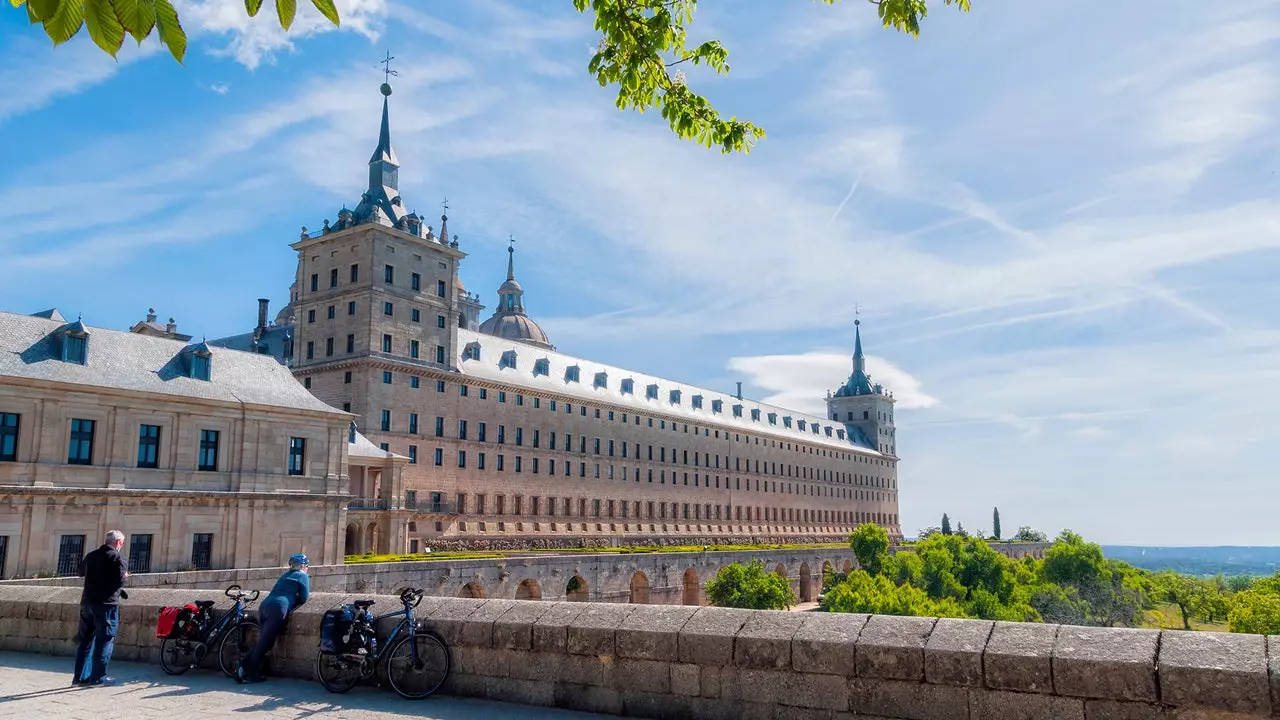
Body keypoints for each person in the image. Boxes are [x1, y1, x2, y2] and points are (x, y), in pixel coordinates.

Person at [238, 553, 310, 683]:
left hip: (265, 606)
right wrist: (295, 598)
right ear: (303, 565)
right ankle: (248, 671)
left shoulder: (285, 575)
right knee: (265, 643)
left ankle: (246, 668)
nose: (307, 568)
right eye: (307, 565)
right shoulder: (302, 575)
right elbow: (304, 598)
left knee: (264, 641)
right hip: (278, 608)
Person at [73, 530, 128, 686]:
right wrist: (124, 576)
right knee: (105, 640)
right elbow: (119, 581)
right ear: (117, 543)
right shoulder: (118, 558)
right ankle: (98, 677)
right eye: (122, 543)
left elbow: (80, 572)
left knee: (85, 640)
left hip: (87, 602)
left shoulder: (91, 555)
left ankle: (79, 677)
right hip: (106, 604)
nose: (122, 546)